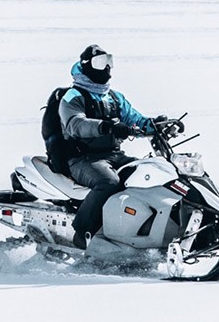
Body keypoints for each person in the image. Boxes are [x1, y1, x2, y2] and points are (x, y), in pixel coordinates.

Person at [59, 45, 181, 249]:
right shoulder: (73, 97)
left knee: (151, 172)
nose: (106, 68)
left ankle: (141, 233)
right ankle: (82, 233)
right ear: (86, 66)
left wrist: (157, 125)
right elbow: (76, 125)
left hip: (114, 155)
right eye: (100, 63)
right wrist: (106, 127)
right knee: (109, 181)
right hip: (84, 159)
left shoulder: (114, 97)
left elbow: (135, 119)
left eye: (109, 61)